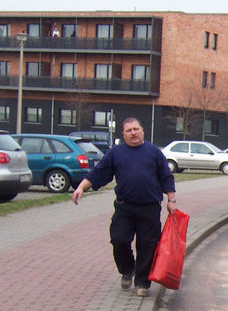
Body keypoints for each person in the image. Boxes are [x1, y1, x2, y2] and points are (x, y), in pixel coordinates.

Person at [72, 118, 176, 297]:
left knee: (147, 245)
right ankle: (127, 269)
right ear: (124, 134)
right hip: (124, 207)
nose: (133, 133)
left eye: (136, 129)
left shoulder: (154, 152)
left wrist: (171, 200)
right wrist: (82, 187)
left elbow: (166, 176)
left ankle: (142, 282)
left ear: (142, 131)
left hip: (149, 208)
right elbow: (99, 172)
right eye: (129, 130)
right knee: (119, 239)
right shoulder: (116, 153)